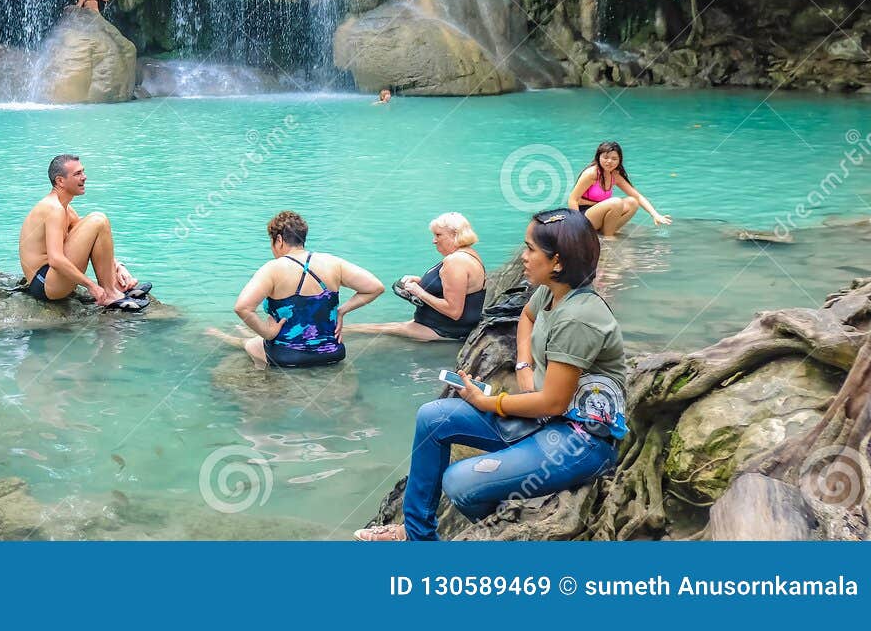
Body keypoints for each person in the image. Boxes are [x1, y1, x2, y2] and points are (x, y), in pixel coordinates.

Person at [355, 209, 627, 541]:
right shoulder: (551, 292)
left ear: (557, 262)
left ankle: (511, 531)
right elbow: (526, 318)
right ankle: (418, 535)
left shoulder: (579, 318)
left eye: (529, 249)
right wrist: (524, 367)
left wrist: (490, 401)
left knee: (459, 482)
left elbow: (554, 403)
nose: (523, 257)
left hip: (579, 440)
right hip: (540, 417)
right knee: (433, 417)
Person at [206, 211, 383, 368]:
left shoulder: (273, 268)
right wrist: (341, 311)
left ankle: (232, 342)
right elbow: (375, 287)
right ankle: (236, 336)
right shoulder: (332, 263)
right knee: (254, 339)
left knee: (252, 344)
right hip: (332, 353)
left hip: (288, 355)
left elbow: (242, 307)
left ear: (279, 240)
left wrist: (268, 332)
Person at [19, 154, 150, 311]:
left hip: (52, 280)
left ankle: (114, 287)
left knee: (97, 223)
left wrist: (118, 266)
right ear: (60, 181)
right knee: (98, 219)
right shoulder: (54, 209)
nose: (84, 177)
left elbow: (92, 239)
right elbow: (55, 260)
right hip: (44, 283)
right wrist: (91, 286)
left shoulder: (65, 208)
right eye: (77, 174)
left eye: (83, 172)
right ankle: (110, 294)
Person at [343, 212, 486, 342]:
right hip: (439, 324)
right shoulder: (468, 254)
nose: (434, 241)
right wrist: (420, 282)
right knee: (365, 328)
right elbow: (456, 287)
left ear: (454, 234)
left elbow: (454, 311)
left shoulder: (456, 262)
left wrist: (419, 292)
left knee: (357, 330)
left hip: (444, 330)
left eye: (438, 235)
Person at [567, 140, 671, 237]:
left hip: (599, 214)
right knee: (616, 202)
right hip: (585, 216)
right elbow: (573, 200)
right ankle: (609, 238)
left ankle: (607, 234)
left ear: (619, 160)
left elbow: (637, 196)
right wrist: (578, 226)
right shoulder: (592, 173)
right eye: (605, 157)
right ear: (598, 157)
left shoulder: (615, 175)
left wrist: (655, 215)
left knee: (632, 202)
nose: (609, 161)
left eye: (614, 159)